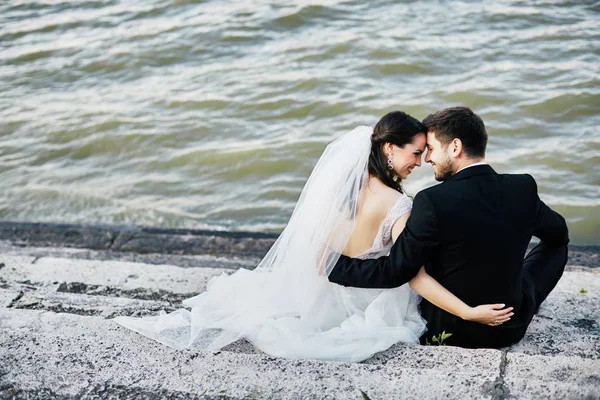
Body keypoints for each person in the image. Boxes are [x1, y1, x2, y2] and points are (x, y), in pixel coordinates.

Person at [114, 111, 512, 362]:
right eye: (416, 153)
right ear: (390, 149)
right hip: (374, 302)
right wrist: (467, 311)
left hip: (324, 292)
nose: (420, 164)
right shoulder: (400, 208)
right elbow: (411, 274)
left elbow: (319, 254)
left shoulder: (338, 191)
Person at [328, 107, 569, 348]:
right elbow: (558, 235)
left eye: (431, 149)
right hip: (510, 326)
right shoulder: (523, 188)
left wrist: (333, 266)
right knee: (556, 247)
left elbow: (398, 270)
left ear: (455, 147)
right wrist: (524, 290)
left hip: (449, 330)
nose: (427, 159)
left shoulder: (431, 202)